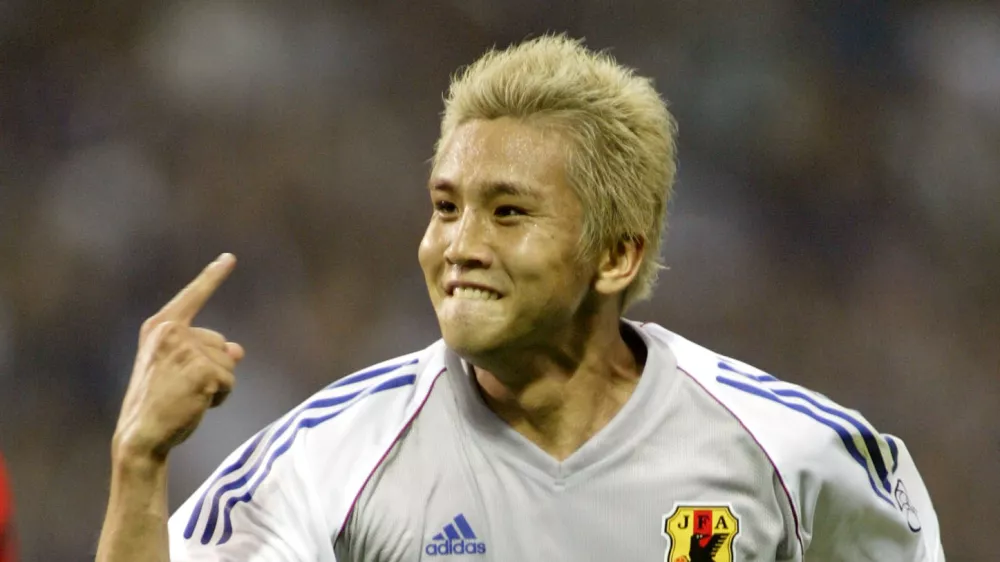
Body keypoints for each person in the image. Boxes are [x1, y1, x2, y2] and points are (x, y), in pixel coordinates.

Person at [97, 35, 945, 561]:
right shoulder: (334, 456)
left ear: (617, 255)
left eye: (508, 212)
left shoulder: (792, 451)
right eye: (444, 206)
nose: (459, 245)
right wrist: (139, 467)